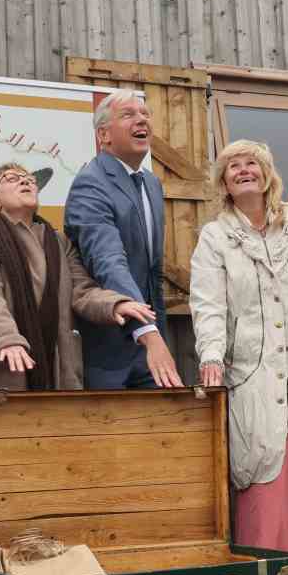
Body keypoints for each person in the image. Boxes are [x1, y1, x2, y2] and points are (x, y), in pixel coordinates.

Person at [191, 140, 288, 551]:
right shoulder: (215, 237)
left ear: (267, 174)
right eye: (233, 166)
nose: (244, 171)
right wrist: (211, 355)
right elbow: (208, 303)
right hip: (253, 374)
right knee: (262, 469)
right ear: (223, 182)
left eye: (252, 164)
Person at [0, 162, 155, 391]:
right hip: (3, 374)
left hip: (59, 374)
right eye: (11, 179)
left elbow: (83, 290)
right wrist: (6, 338)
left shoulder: (59, 241)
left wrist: (114, 305)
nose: (25, 181)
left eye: (29, 178)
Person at [64, 92, 185, 390]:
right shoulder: (90, 182)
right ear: (103, 134)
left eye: (145, 113)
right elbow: (109, 263)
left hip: (150, 349)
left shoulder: (152, 184)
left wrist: (158, 335)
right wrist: (148, 332)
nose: (142, 119)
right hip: (108, 353)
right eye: (128, 114)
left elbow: (152, 270)